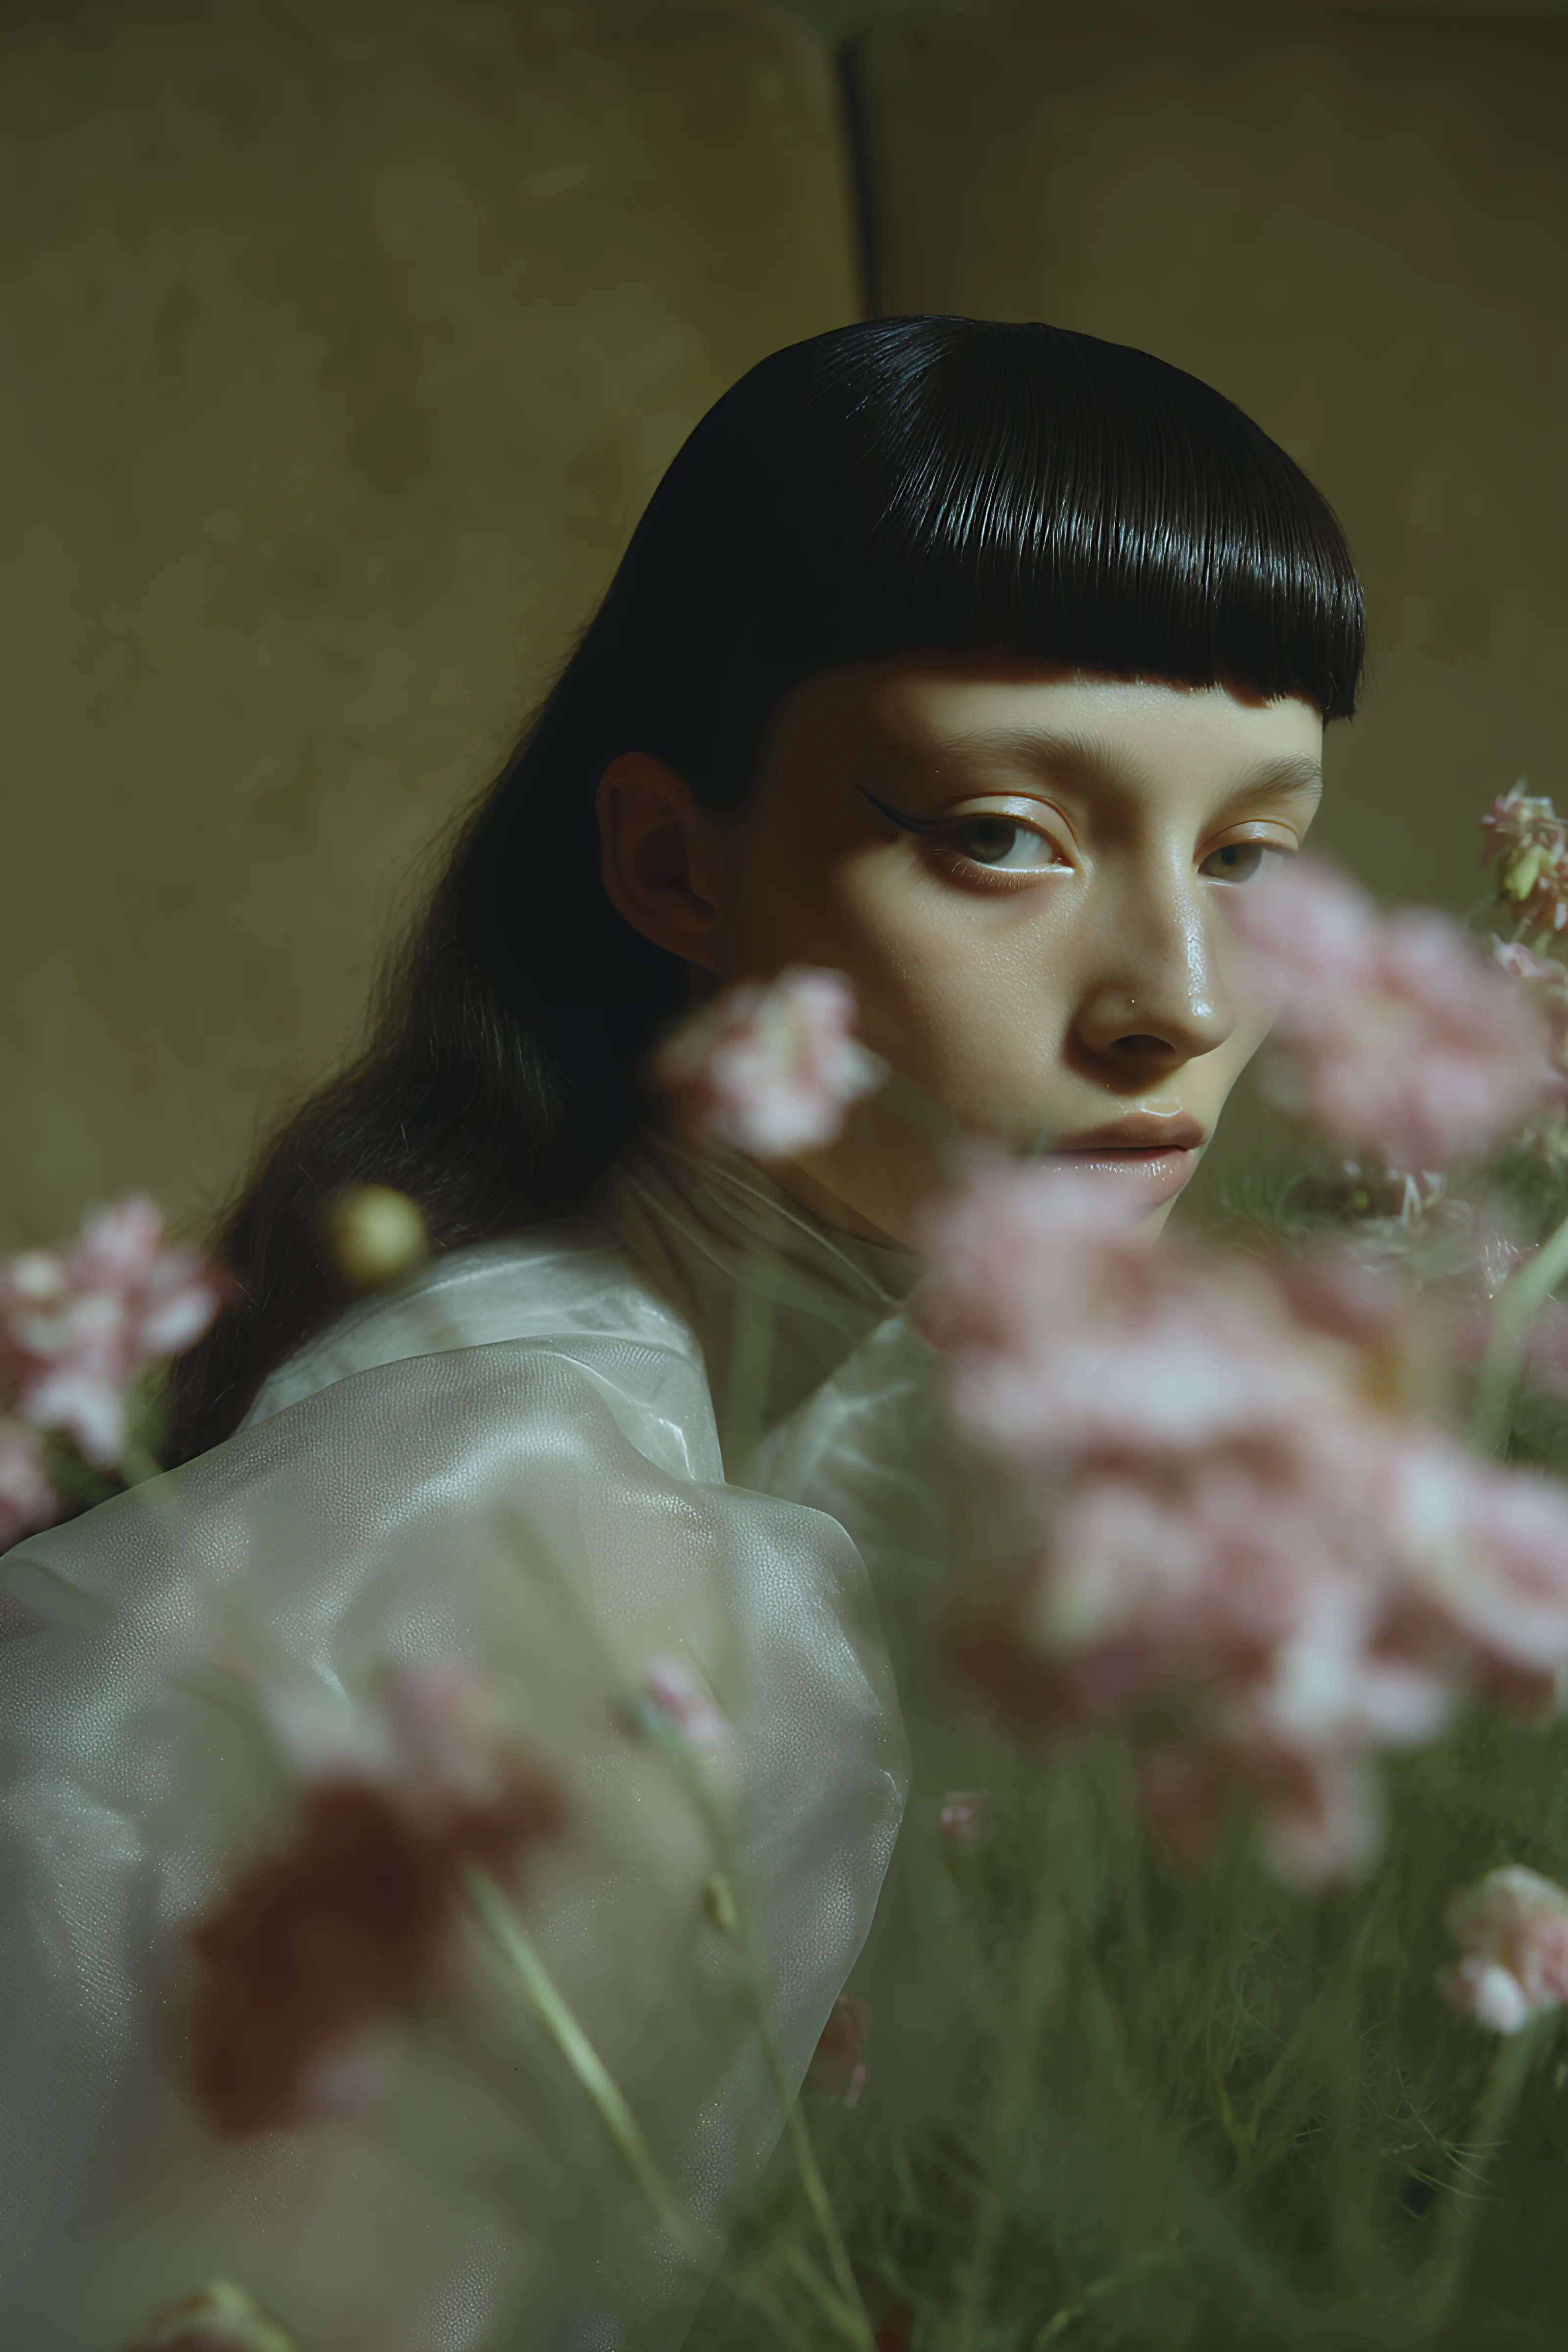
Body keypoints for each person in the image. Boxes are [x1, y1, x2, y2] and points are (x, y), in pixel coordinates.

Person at [0, 317, 1363, 2351]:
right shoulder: (567, 1536)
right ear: (668, 861)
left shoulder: (885, 1455)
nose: (1174, 992)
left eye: (1251, 855)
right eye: (999, 833)